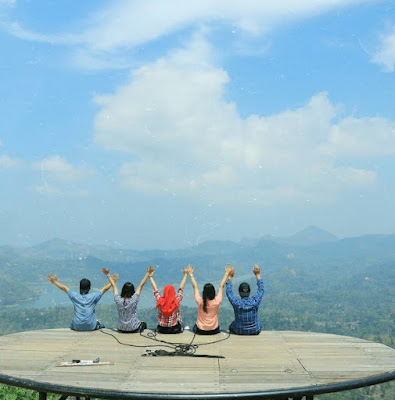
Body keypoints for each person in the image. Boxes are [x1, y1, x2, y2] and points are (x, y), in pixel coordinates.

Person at [47, 272, 118, 331]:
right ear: (89, 288)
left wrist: (54, 281)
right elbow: (104, 289)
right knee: (100, 324)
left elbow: (64, 288)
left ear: (79, 287)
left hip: (77, 326)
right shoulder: (93, 296)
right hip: (91, 327)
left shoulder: (74, 296)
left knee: (73, 323)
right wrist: (113, 281)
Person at [102, 266, 153, 333]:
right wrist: (148, 273)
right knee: (143, 324)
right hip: (133, 328)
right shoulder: (134, 299)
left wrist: (108, 274)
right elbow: (141, 285)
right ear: (132, 291)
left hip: (121, 328)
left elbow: (114, 286)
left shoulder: (118, 300)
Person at [187, 264, 232, 335]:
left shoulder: (200, 301)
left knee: (193, 327)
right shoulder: (217, 301)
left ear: (204, 292)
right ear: (213, 292)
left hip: (200, 330)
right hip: (214, 330)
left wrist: (191, 274)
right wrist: (226, 273)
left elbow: (195, 287)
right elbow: (221, 286)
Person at [226, 264, 264, 335]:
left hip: (239, 330)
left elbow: (228, 291)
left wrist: (230, 277)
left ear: (239, 293)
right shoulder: (255, 301)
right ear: (249, 292)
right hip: (255, 330)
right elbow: (261, 289)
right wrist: (257, 274)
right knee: (259, 324)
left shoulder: (236, 302)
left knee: (232, 325)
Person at [148, 266, 188, 334]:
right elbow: (181, 289)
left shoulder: (160, 301)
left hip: (162, 329)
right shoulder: (176, 301)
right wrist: (185, 275)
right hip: (174, 329)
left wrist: (150, 276)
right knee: (179, 321)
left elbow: (155, 290)